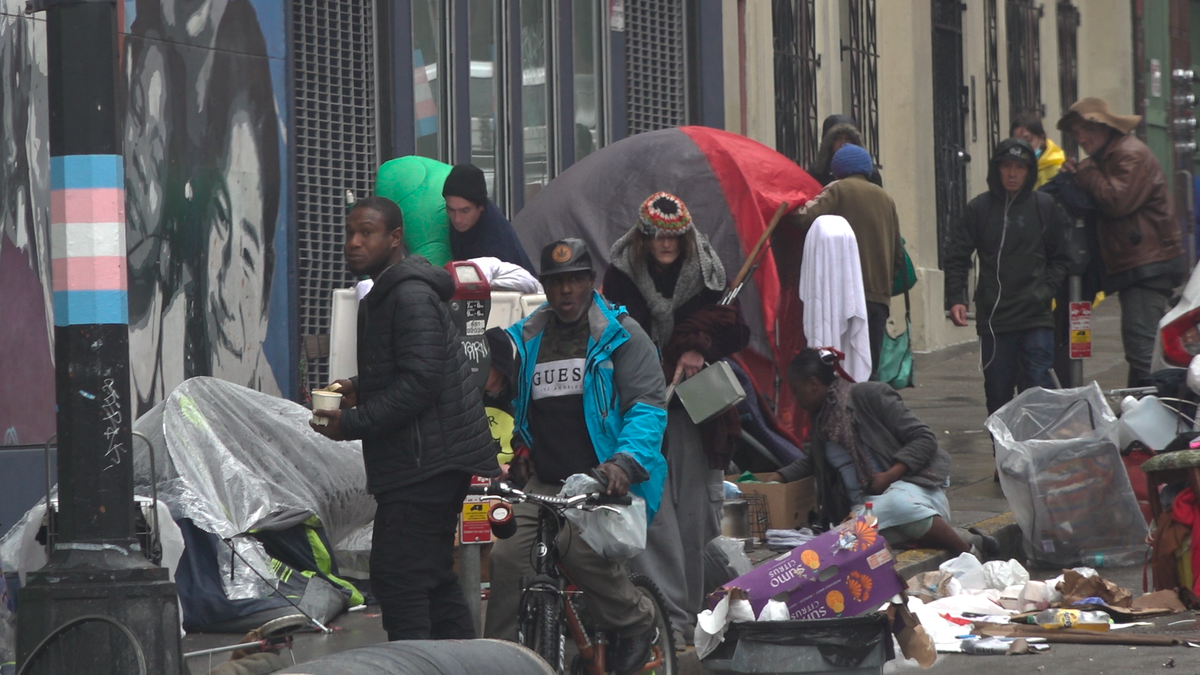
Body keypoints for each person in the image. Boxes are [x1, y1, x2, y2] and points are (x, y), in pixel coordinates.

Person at [309, 196, 500, 641]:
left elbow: (420, 384)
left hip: (425, 465)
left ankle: (417, 665)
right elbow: (411, 365)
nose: (354, 243)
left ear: (395, 238)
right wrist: (357, 387)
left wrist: (349, 424)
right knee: (431, 579)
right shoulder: (390, 293)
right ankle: (465, 666)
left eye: (367, 232)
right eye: (350, 232)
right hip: (426, 461)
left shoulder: (409, 295)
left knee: (399, 579)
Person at [485, 238, 668, 675]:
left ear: (591, 282)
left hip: (602, 484)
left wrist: (623, 463)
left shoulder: (621, 336)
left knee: (574, 546)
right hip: (546, 485)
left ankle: (636, 621)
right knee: (507, 560)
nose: (565, 292)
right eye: (556, 283)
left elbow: (647, 407)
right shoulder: (528, 337)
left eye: (574, 281)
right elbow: (503, 387)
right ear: (545, 288)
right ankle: (494, 661)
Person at [602, 192, 750, 642]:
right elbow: (613, 329)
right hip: (643, 402)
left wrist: (697, 343)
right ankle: (663, 619)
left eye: (674, 237)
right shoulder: (622, 273)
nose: (665, 245)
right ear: (643, 236)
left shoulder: (708, 269)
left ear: (685, 237)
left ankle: (686, 619)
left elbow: (733, 326)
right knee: (652, 512)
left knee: (696, 515)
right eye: (656, 237)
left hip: (696, 408)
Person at [766, 350, 987, 556]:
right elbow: (813, 463)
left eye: (796, 391)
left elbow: (924, 438)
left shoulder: (867, 395)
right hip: (865, 510)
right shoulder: (821, 422)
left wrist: (889, 476)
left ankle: (968, 553)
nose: (794, 399)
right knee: (848, 536)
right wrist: (779, 477)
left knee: (895, 506)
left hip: (913, 494)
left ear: (813, 384)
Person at [1058, 97, 1187, 386]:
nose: (1081, 139)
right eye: (1076, 133)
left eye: (1086, 130)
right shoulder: (1111, 156)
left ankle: (1154, 415)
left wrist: (1086, 171)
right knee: (1141, 348)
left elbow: (1116, 200)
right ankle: (1140, 406)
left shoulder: (1128, 154)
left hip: (1148, 266)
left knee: (1143, 351)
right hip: (1141, 265)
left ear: (1104, 127)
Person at [944, 139, 1071, 414]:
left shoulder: (1044, 207)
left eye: (1020, 167)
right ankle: (1003, 456)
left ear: (1029, 172)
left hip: (1035, 317)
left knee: (1038, 390)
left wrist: (1045, 290)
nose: (1012, 174)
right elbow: (957, 255)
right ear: (997, 169)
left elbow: (1061, 257)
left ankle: (1036, 453)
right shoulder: (979, 209)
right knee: (998, 394)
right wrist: (957, 297)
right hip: (995, 320)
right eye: (1007, 166)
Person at [794, 144, 903, 379]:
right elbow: (898, 256)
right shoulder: (886, 199)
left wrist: (787, 207)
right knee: (868, 367)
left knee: (842, 367)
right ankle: (870, 413)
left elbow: (806, 218)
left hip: (844, 296)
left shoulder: (838, 190)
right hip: (879, 297)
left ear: (836, 171)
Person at [442, 163, 536, 275]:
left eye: (465, 211)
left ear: (481, 206)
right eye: (451, 210)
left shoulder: (494, 241)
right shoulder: (466, 220)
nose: (457, 219)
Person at [808, 114, 883, 187]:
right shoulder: (817, 173)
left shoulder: (870, 173)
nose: (843, 143)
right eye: (838, 138)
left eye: (848, 138)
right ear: (829, 143)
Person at [1010, 113, 1066, 188]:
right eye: (1016, 141)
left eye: (1028, 140)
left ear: (1042, 139)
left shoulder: (1058, 170)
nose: (1022, 147)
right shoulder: (1010, 170)